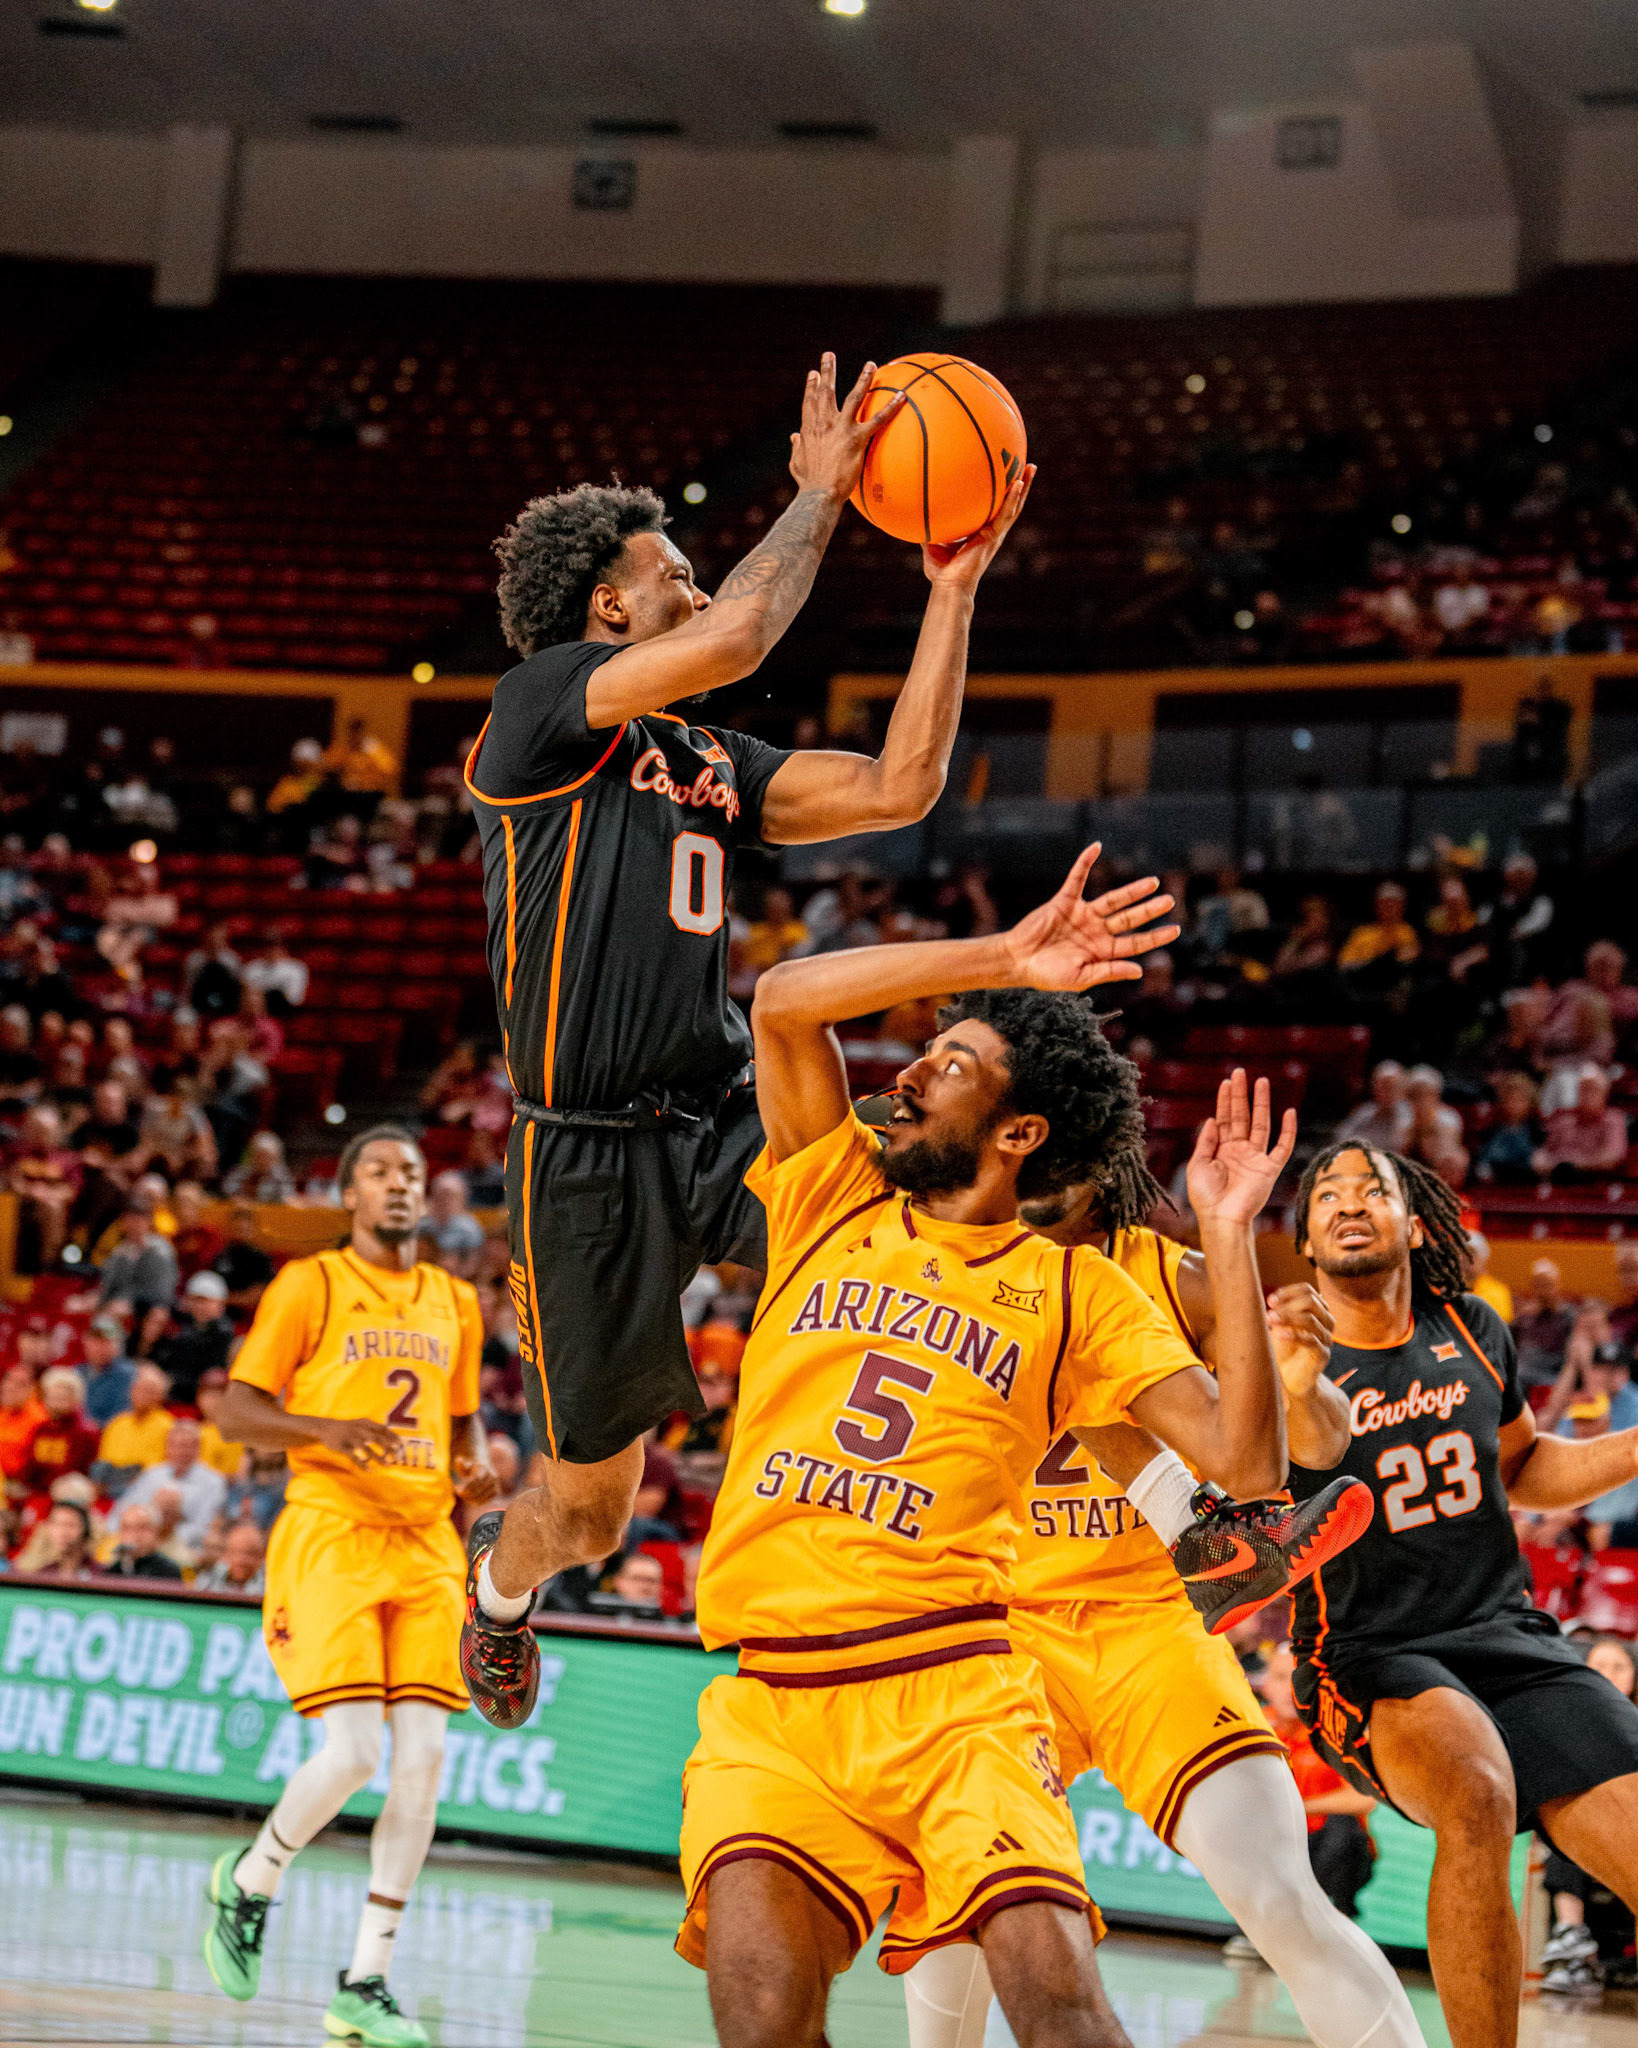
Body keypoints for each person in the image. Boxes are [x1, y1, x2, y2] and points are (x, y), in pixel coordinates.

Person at [669, 849, 1354, 2046]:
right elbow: (781, 999)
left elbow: (1250, 1467)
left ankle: (1178, 1537)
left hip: (957, 1697)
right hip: (772, 1702)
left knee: (1061, 2011)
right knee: (763, 2015)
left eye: (957, 1062)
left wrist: (1234, 1234)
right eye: (932, 1047)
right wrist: (1001, 959)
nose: (915, 1069)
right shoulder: (830, 1194)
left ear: (1021, 1128)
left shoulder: (1080, 1291)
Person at [459, 352, 1037, 1725]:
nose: (700, 589)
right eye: (673, 573)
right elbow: (735, 638)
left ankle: (1132, 1508)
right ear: (610, 607)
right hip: (583, 1158)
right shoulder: (536, 710)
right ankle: (497, 1585)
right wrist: (821, 497)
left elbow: (901, 785)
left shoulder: (713, 761)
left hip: (719, 1115)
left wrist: (949, 597)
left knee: (931, 1239)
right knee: (593, 1517)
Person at [902, 1129, 1411, 2048]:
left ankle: (1206, 1535)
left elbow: (1329, 1442)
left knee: (1281, 1896)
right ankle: (1203, 1530)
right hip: (1003, 1631)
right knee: (953, 1901)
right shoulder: (941, 1260)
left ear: (1103, 1162)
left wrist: (1294, 1380)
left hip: (1152, 1626)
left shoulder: (1176, 1278)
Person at [1285, 1140, 1638, 2048]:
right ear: (1307, 1239)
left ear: (1414, 1221)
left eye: (1373, 1189)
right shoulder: (1284, 1358)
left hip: (1507, 1634)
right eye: (1327, 1194)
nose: (1349, 1201)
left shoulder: (1473, 1329)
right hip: (1369, 1656)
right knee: (1478, 1790)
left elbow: (1524, 1466)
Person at [204, 1126, 495, 2048]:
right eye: (378, 1173)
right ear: (351, 1196)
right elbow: (236, 1409)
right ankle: (252, 1878)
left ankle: (365, 1980)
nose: (398, 1185)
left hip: (425, 1545)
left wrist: (477, 1469)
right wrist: (326, 1430)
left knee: (425, 1765)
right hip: (332, 1530)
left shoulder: (454, 1298)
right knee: (355, 1755)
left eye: (411, 1172)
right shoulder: (312, 1283)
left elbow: (464, 1421)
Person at [121, 1417, 229, 1556]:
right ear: (167, 1447)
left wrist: (162, 1538)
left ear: (199, 1448)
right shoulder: (151, 1475)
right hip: (142, 1545)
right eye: (176, 1445)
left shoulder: (214, 1482)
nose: (181, 1451)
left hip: (190, 1549)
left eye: (187, 1445)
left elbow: (203, 1528)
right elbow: (125, 1508)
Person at [151, 1270, 236, 1406]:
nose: (200, 1306)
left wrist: (172, 1380)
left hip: (202, 1396)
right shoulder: (184, 1328)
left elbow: (212, 1375)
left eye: (205, 1301)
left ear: (220, 1304)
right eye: (196, 1301)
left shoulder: (224, 1334)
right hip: (175, 1390)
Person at [91, 1363, 174, 1492]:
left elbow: (160, 1469)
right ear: (131, 1391)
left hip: (145, 1484)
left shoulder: (168, 1426)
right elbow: (104, 1461)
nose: (142, 1394)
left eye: (149, 1390)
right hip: (113, 1479)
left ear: (160, 1396)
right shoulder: (117, 1423)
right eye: (138, 1389)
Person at [98, 1196, 178, 1316]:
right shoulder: (120, 1251)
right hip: (118, 1303)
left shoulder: (160, 1250)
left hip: (149, 1307)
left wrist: (129, 1301)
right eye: (129, 1218)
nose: (134, 1223)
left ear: (149, 1221)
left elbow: (162, 1292)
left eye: (139, 1218)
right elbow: (108, 1286)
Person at [1336, 1060, 1412, 1154]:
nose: (1388, 1092)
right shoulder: (1365, 1113)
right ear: (1374, 1088)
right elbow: (1341, 1138)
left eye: (1392, 1087)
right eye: (1383, 1087)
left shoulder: (1409, 1116)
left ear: (1402, 1089)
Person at [77, 1314, 137, 1428]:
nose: (100, 1347)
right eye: (96, 1341)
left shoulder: (128, 1375)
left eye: (107, 1341)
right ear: (86, 1342)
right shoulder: (77, 1372)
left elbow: (121, 1417)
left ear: (119, 1345)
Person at [102, 1501, 184, 1582]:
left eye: (142, 1527)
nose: (134, 1535)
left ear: (157, 1531)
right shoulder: (112, 1573)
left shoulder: (169, 1573)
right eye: (126, 1528)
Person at [195, 1520, 267, 1596]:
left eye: (249, 1553)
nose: (241, 1560)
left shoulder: (270, 1584)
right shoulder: (211, 1578)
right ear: (226, 1555)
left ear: (261, 1556)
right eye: (235, 1552)